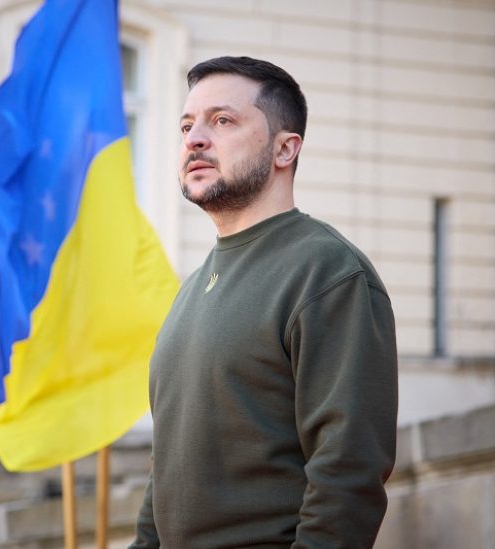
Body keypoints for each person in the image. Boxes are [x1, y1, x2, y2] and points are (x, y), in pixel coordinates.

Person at [129, 56, 398, 548]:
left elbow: (348, 470)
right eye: (187, 125)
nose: (194, 139)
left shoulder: (328, 272)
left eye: (223, 121)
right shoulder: (190, 289)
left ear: (284, 149)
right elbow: (166, 469)